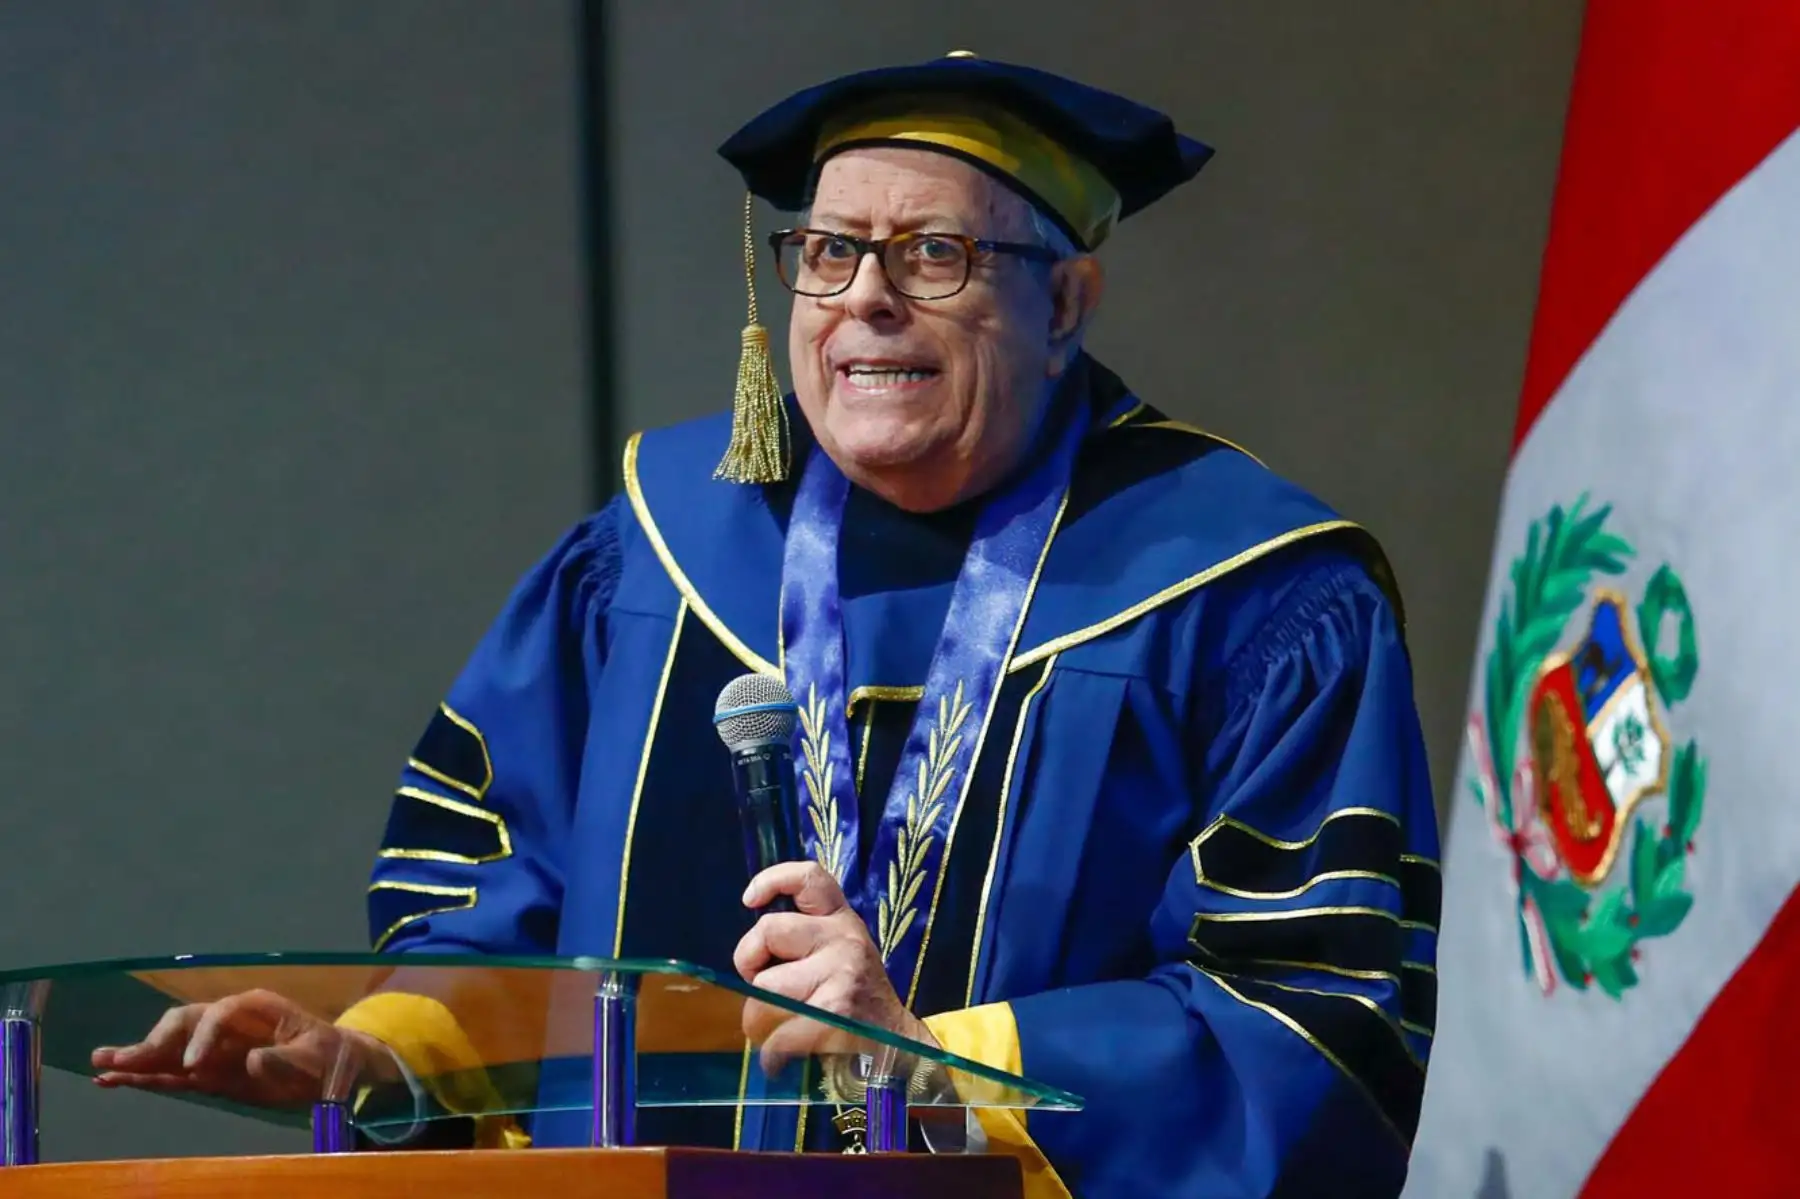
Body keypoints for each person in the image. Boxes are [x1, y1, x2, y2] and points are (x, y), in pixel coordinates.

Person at [92, 52, 1441, 1198]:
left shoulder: (1247, 588)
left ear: (1066, 303)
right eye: (829, 249)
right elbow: (493, 901)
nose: (864, 297)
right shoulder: (653, 550)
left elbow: (1314, 1022)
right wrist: (379, 1055)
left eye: (935, 253)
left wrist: (938, 1055)